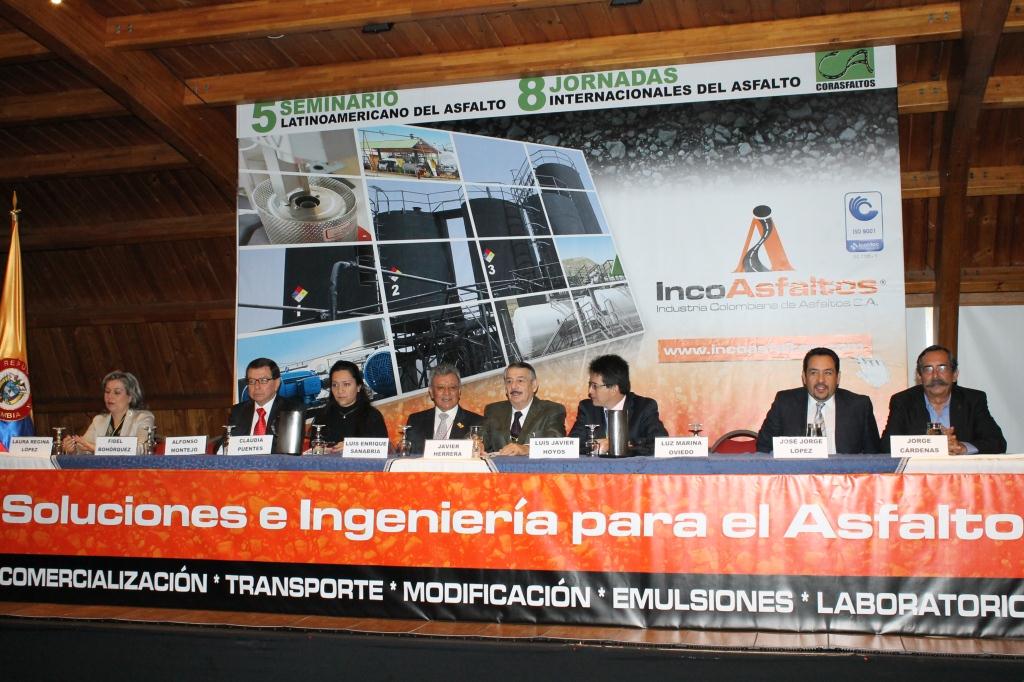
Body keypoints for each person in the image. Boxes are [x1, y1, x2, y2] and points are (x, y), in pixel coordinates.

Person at [881, 345, 1006, 454]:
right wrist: (931, 445)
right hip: (920, 472)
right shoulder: (903, 401)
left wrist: (961, 447)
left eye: (942, 368)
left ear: (954, 375)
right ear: (919, 376)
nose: (935, 376)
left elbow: (997, 442)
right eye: (928, 369)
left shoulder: (972, 400)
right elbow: (886, 447)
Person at [756, 347, 881, 454]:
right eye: (813, 373)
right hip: (798, 474)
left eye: (828, 373)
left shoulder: (859, 406)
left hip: (844, 474)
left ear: (838, 377)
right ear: (804, 377)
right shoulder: (785, 402)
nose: (821, 380)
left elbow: (874, 453)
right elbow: (764, 447)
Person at [568, 354, 667, 455]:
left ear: (614, 389)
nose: (590, 391)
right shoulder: (587, 408)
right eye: (589, 385)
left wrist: (619, 444)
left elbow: (659, 443)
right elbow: (571, 446)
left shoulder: (644, 407)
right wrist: (596, 447)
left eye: (595, 386)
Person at [482, 361, 566, 455]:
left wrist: (527, 448)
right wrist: (477, 445)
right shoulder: (493, 411)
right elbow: (482, 440)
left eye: (520, 381)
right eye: (509, 381)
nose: (513, 386)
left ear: (534, 385)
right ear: (505, 388)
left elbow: (557, 440)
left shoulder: (551, 410)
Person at [63, 371, 155, 454]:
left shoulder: (143, 418)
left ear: (130, 397)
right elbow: (84, 447)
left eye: (117, 392)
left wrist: (98, 448)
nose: (110, 396)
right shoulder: (98, 420)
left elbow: (143, 449)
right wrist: (73, 448)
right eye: (107, 391)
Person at [310, 360, 388, 452]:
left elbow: (383, 450)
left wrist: (353, 447)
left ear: (358, 387)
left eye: (346, 384)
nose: (340, 390)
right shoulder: (321, 416)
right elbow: (313, 452)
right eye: (335, 385)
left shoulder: (372, 416)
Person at [404, 364, 483, 454]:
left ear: (459, 391)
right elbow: (408, 455)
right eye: (440, 388)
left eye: (452, 388)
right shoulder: (415, 421)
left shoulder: (478, 423)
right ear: (431, 392)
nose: (447, 393)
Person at [226, 357, 304, 440]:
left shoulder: (292, 410)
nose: (256, 386)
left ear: (277, 383)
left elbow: (288, 445)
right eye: (251, 381)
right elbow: (226, 442)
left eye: (263, 380)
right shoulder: (238, 411)